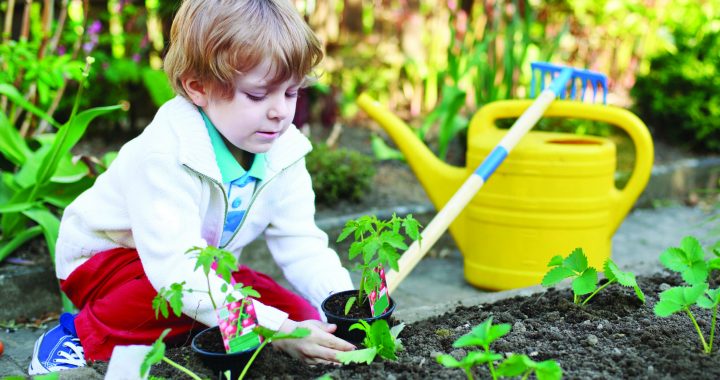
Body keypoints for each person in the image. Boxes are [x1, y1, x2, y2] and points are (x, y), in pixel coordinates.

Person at [28, 0, 356, 375]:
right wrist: (273, 328)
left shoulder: (283, 152)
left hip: (194, 262)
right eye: (257, 94)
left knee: (298, 314)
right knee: (177, 298)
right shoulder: (166, 152)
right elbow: (174, 271)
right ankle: (78, 334)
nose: (280, 111)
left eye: (291, 93)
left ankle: (201, 327)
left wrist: (341, 304)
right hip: (109, 264)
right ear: (198, 87)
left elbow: (301, 242)